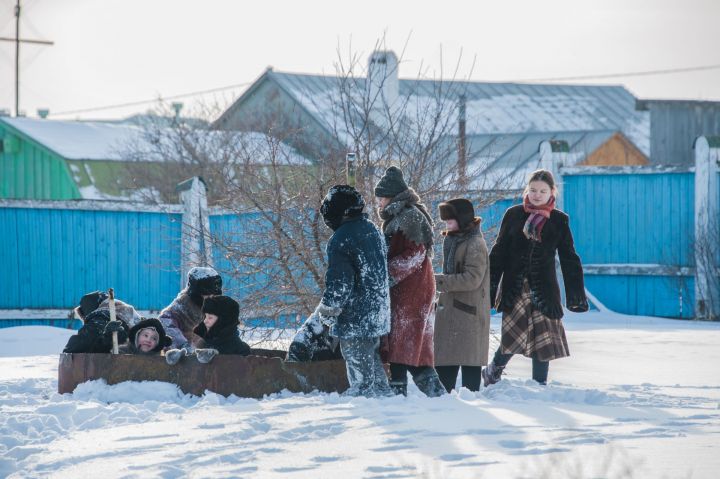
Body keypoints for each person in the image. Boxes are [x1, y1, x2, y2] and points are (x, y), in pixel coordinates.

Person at [483, 169, 588, 386]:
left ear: (552, 192)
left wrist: (575, 296)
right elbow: (498, 253)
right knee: (513, 335)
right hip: (515, 287)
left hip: (544, 289)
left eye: (542, 191)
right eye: (532, 190)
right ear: (527, 190)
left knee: (544, 338)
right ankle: (493, 370)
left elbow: (569, 258)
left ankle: (539, 384)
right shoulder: (513, 215)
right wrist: (490, 290)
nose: (537, 195)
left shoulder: (559, 220)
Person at [310, 184, 393, 397]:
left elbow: (340, 284)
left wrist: (327, 312)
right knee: (374, 369)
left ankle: (367, 414)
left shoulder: (341, 239)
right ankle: (389, 405)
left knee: (361, 383)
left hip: (355, 319)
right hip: (377, 313)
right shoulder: (372, 230)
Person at [374, 166, 445, 397]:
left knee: (401, 346)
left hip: (411, 293)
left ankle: (399, 397)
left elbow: (415, 255)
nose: (379, 203)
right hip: (409, 290)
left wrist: (385, 276)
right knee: (413, 349)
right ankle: (439, 398)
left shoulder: (409, 217)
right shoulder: (402, 215)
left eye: (382, 198)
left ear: (393, 196)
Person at [433, 198, 490, 392]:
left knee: (469, 366)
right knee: (446, 362)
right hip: (452, 312)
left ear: (463, 219)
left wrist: (439, 281)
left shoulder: (475, 243)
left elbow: (472, 278)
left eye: (450, 219)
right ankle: (443, 404)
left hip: (468, 314)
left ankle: (468, 413)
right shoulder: (454, 239)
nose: (446, 223)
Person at [159, 266, 223, 350]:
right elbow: (166, 325)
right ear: (196, 294)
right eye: (207, 294)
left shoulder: (216, 311)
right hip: (182, 358)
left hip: (211, 358)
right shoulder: (179, 310)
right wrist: (183, 345)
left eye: (214, 295)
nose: (211, 297)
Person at [191, 295, 251, 363]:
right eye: (205, 316)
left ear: (223, 321)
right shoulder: (203, 342)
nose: (205, 321)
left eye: (210, 318)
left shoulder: (238, 348)